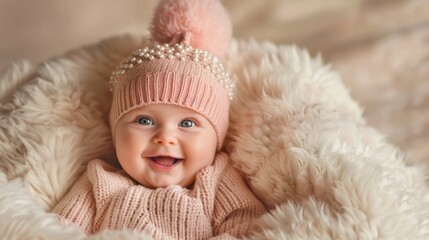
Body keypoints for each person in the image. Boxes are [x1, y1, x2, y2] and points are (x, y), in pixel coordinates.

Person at [52, 0, 266, 239]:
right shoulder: (100, 182)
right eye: (144, 120)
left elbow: (246, 230)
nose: (165, 138)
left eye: (187, 124)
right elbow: (55, 230)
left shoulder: (216, 182)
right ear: (115, 133)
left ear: (216, 140)